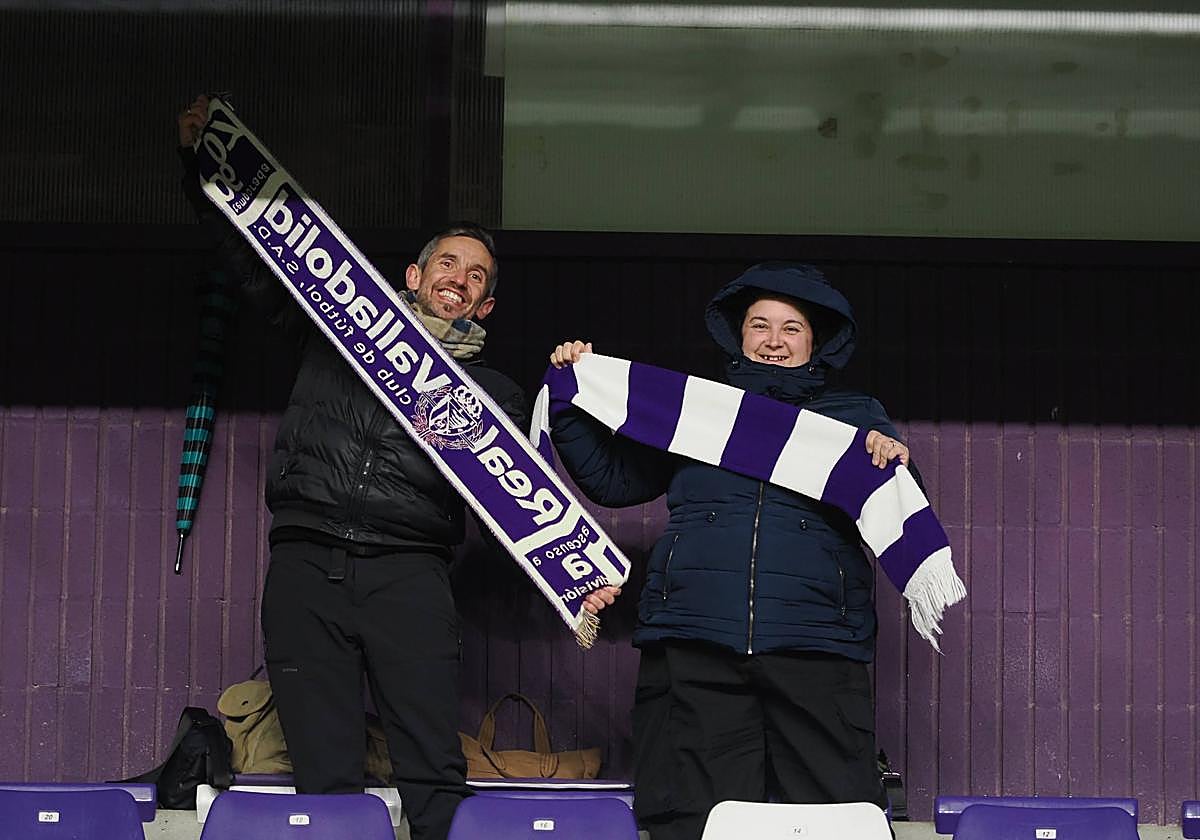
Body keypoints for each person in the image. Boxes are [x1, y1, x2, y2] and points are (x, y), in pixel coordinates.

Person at [177, 95, 529, 840]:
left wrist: (580, 578)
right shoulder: (339, 328)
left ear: (485, 305)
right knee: (325, 771)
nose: (459, 278)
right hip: (307, 569)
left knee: (432, 770)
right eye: (448, 263)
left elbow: (522, 501)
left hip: (410, 576)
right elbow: (255, 261)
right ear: (415, 272)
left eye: (476, 276)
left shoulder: (489, 395)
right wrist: (202, 165)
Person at [548, 262, 916, 840]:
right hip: (696, 638)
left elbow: (894, 503)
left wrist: (890, 457)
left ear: (814, 341)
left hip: (815, 643)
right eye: (759, 325)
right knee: (693, 815)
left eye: (791, 328)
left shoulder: (855, 416)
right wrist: (568, 399)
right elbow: (614, 481)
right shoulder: (695, 410)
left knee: (835, 818)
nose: (774, 341)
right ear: (738, 335)